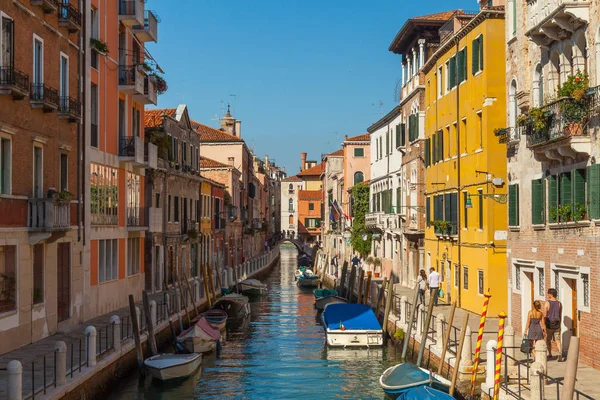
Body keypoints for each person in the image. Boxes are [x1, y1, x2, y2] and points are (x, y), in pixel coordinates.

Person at [544, 288, 563, 361]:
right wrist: (560, 323)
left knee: (548, 340)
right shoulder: (559, 303)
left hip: (549, 325)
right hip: (557, 325)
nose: (547, 295)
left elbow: (545, 315)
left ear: (551, 294)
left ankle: (550, 353)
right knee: (557, 340)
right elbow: (560, 314)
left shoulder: (547, 303)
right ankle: (560, 352)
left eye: (548, 293)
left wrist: (544, 325)